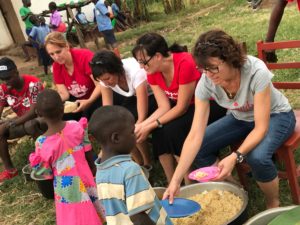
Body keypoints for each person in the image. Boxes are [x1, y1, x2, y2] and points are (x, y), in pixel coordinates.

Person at [163, 30, 296, 209]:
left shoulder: (256, 71)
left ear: (230, 58)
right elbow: (195, 135)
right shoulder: (207, 81)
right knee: (200, 146)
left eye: (214, 68)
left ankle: (273, 201)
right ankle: (235, 188)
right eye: (203, 69)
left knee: (257, 157)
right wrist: (176, 180)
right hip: (240, 117)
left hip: (277, 115)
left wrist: (235, 156)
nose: (209, 75)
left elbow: (260, 128)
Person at [131, 32, 227, 184]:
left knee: (172, 130)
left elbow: (181, 107)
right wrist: (142, 125)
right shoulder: (153, 72)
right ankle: (172, 181)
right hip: (186, 107)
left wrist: (151, 125)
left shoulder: (184, 63)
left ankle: (187, 181)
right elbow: (164, 106)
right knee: (158, 132)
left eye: (144, 62)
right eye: (139, 63)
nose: (142, 67)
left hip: (209, 105)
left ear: (157, 56)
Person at [29, 89, 106, 225]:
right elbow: (88, 149)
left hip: (65, 187)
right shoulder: (76, 126)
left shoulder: (41, 143)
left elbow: (45, 174)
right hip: (86, 177)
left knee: (74, 216)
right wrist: (93, 167)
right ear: (62, 108)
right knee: (93, 207)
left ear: (39, 114)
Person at [89, 105, 173, 225]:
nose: (135, 135)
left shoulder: (101, 171)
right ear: (116, 138)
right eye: (132, 132)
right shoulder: (130, 170)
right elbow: (138, 217)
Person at [89, 49, 156, 171]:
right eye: (102, 80)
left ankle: (147, 163)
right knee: (116, 124)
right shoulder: (104, 79)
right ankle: (138, 161)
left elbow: (141, 116)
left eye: (108, 78)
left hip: (153, 95)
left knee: (131, 125)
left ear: (117, 70)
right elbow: (107, 111)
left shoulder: (136, 72)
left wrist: (137, 127)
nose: (106, 83)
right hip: (133, 96)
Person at [0, 57, 46, 182]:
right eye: (3, 79)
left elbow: (33, 112)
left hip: (42, 119)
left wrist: (11, 123)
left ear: (16, 71)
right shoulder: (3, 89)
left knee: (31, 125)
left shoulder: (33, 84)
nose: (6, 82)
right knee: (0, 130)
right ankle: (10, 170)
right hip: (21, 122)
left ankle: (45, 162)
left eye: (8, 78)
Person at [44, 31, 101, 121]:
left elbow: (100, 84)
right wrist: (49, 102)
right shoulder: (56, 66)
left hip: (96, 97)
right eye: (52, 54)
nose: (56, 57)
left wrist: (89, 101)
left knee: (88, 117)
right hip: (76, 101)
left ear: (67, 46)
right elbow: (64, 95)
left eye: (58, 52)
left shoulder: (84, 56)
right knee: (58, 117)